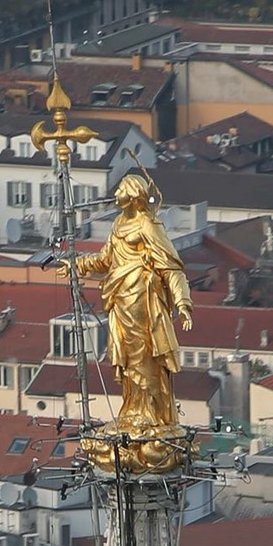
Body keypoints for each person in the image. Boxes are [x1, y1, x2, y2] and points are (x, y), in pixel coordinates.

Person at [60, 174, 193, 431]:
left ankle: (152, 413)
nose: (116, 192)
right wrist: (76, 264)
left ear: (133, 195)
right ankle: (133, 410)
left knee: (145, 356)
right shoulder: (119, 223)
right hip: (120, 300)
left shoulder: (148, 224)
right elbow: (104, 260)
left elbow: (171, 267)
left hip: (142, 299)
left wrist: (182, 302)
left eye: (120, 188)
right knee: (127, 358)